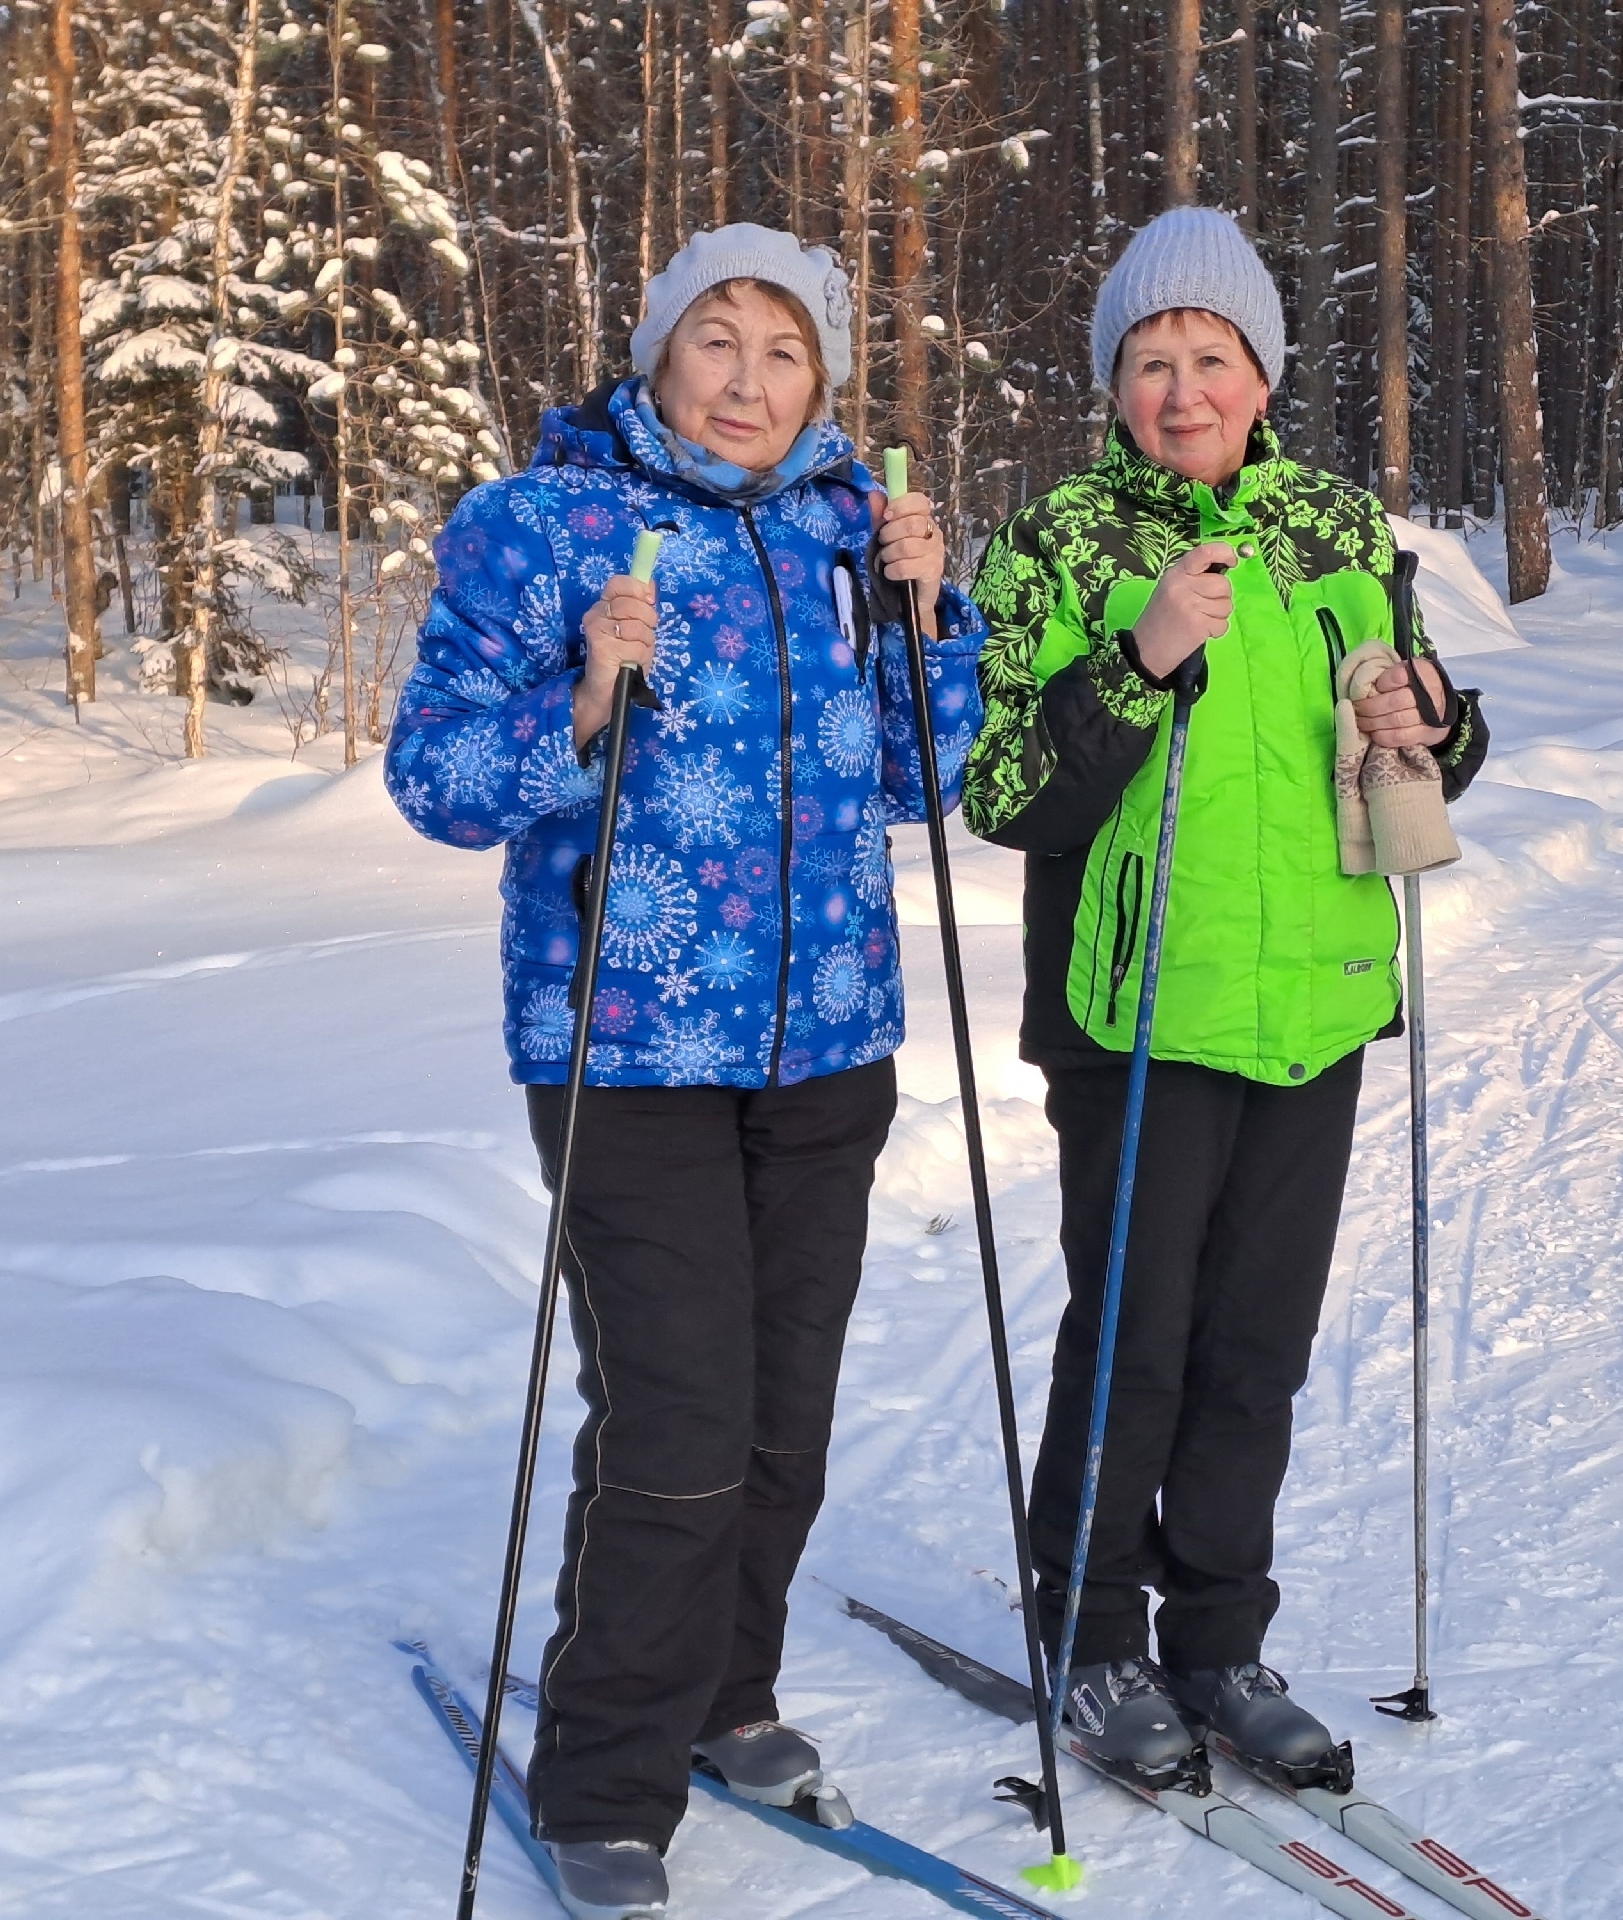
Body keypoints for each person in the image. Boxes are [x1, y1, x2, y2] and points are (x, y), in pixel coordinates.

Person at [386, 224, 983, 1920]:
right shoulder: (542, 525)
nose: (747, 378)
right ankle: (606, 1778)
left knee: (782, 1414)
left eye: (784, 351)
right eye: (714, 340)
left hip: (829, 1042)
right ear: (654, 355)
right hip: (624, 1046)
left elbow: (921, 777)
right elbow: (437, 781)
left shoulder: (846, 527)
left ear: (823, 381)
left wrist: (931, 604)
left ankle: (728, 1699)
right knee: (677, 1419)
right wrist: (586, 694)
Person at [962, 208, 1489, 1782]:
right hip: (1134, 1016)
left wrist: (1435, 712)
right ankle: (1096, 1644)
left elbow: (1430, 746)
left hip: (1313, 1003)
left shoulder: (1337, 530)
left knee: (1256, 1349)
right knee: (1136, 1345)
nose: (1181, 389)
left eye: (1210, 358)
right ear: (1114, 385)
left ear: (1262, 374)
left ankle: (1218, 1643)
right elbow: (1000, 787)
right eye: (1149, 362)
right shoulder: (1059, 539)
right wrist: (1139, 654)